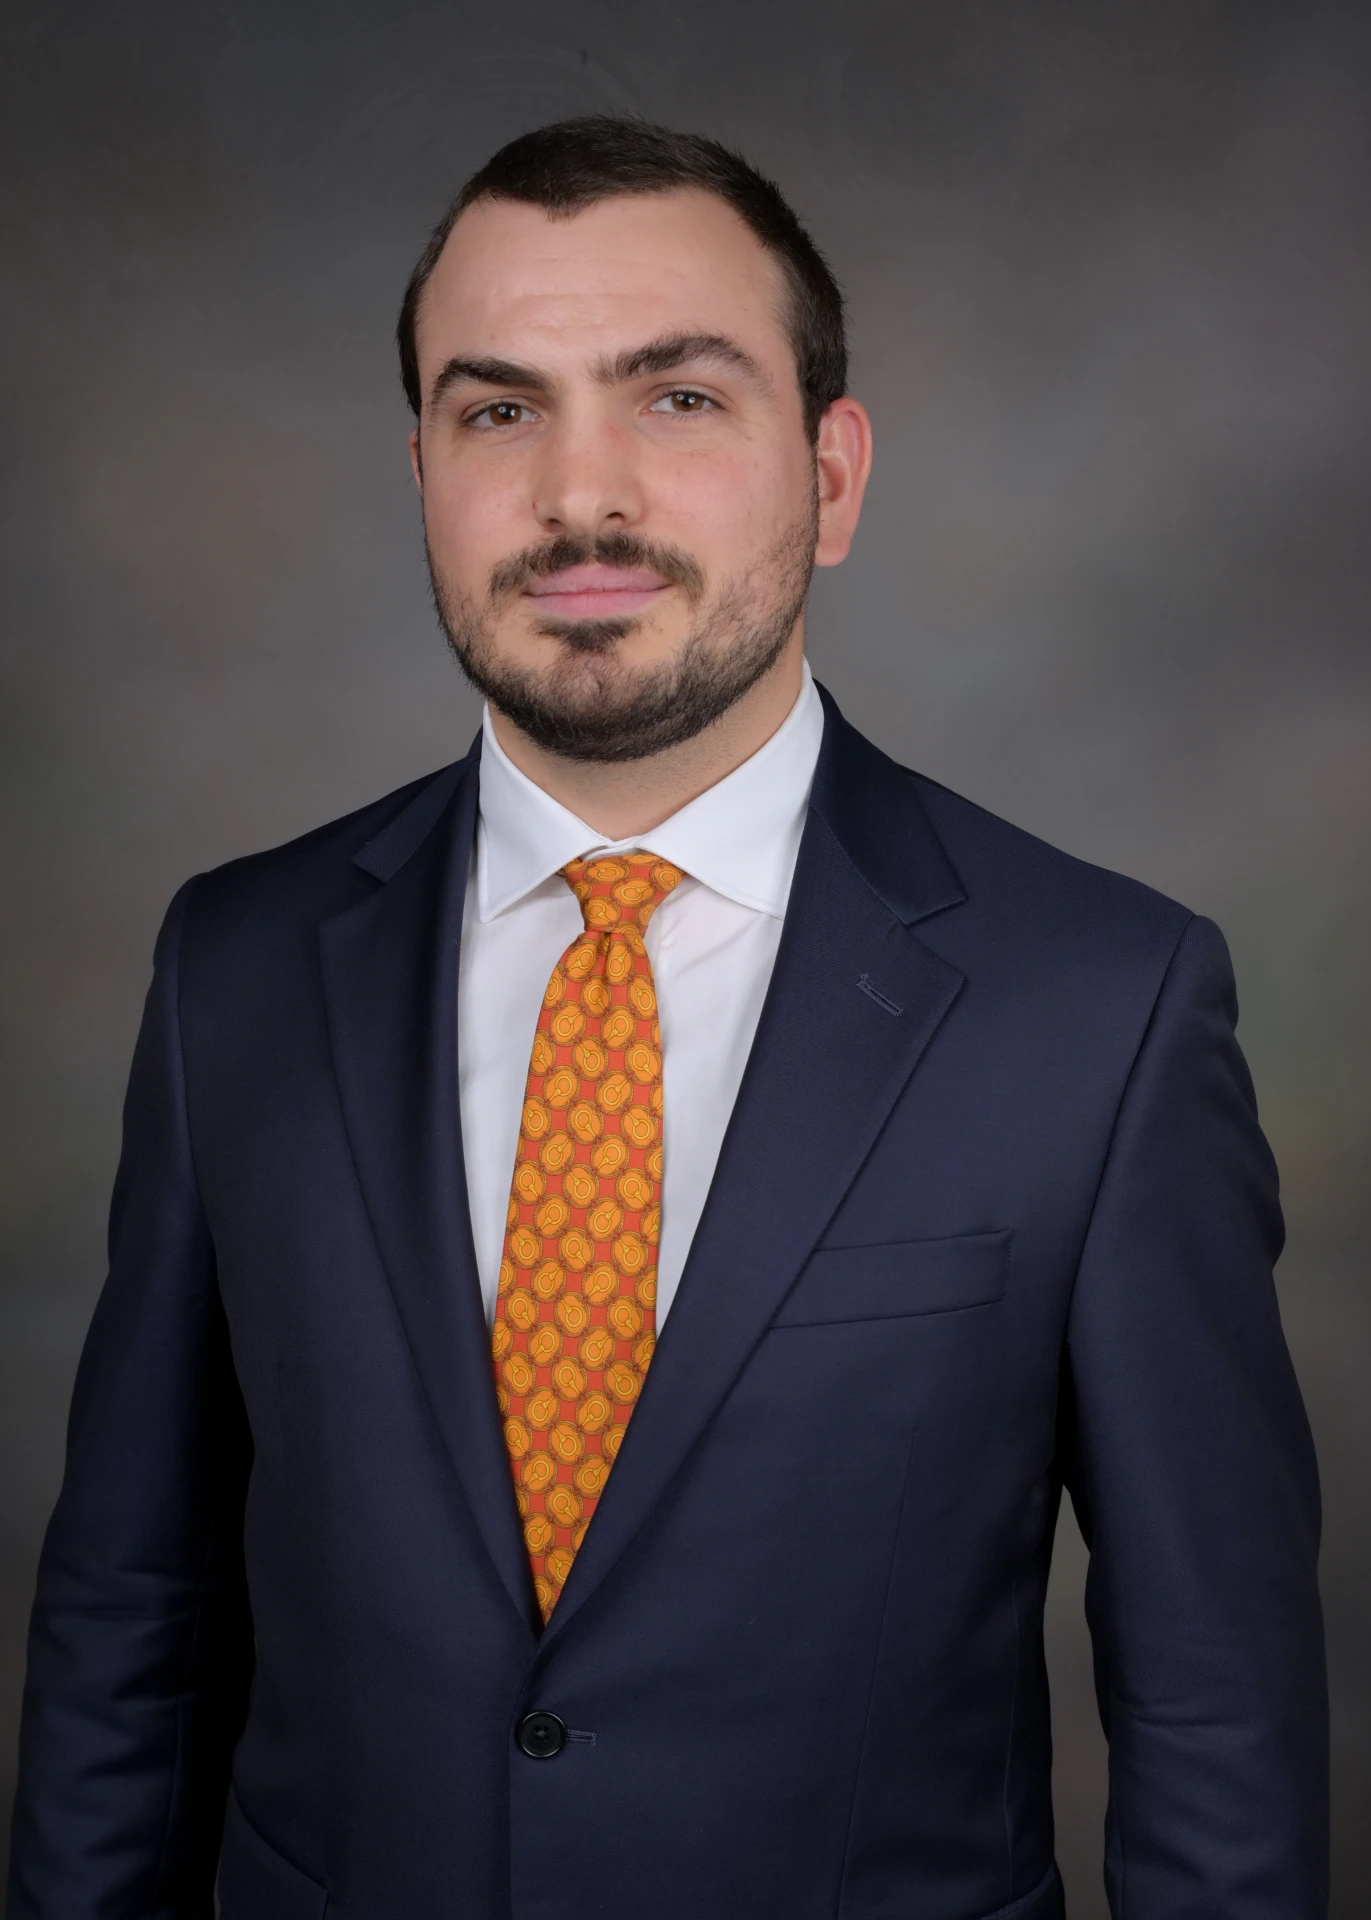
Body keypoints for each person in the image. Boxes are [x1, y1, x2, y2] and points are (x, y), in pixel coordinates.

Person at [7, 116, 1327, 1920]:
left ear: (831, 476)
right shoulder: (232, 967)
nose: (581, 494)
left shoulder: (1102, 1007)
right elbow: (131, 1618)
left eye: (679, 398)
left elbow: (1211, 1708)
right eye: (499, 410)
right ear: (420, 471)